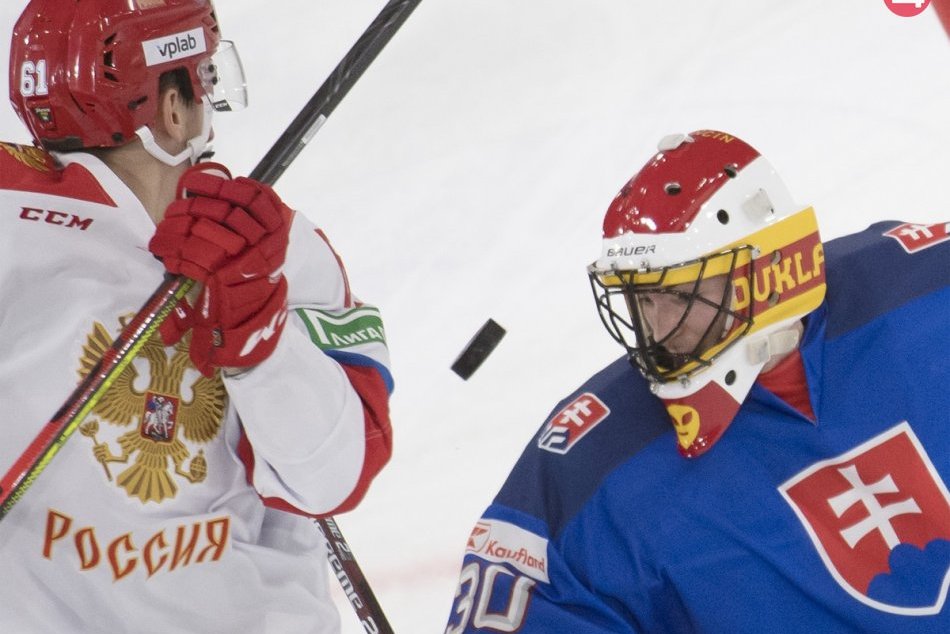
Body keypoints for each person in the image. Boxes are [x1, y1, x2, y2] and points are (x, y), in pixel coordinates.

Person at [444, 129, 950, 632]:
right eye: (642, 300)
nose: (656, 332)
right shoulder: (589, 464)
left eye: (678, 296)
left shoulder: (926, 291)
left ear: (766, 272)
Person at [0, 1, 393, 632]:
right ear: (172, 107)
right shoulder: (279, 245)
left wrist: (261, 338)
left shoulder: (265, 246)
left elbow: (331, 481)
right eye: (201, 74)